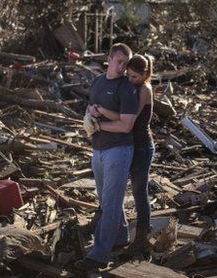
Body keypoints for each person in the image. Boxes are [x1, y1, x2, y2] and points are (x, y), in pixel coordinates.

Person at [75, 43, 139, 271]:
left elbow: (126, 125)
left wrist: (99, 123)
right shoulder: (98, 81)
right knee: (106, 200)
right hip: (99, 149)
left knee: (110, 204)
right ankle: (121, 236)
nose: (122, 67)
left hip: (118, 151)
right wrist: (90, 115)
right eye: (119, 62)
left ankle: (99, 255)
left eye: (126, 63)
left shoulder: (126, 89)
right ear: (109, 59)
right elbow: (91, 105)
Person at [93, 54, 155, 258]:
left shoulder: (144, 89)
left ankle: (142, 237)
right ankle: (117, 229)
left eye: (135, 77)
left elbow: (128, 118)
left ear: (145, 75)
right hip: (127, 144)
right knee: (114, 188)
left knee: (139, 191)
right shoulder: (131, 87)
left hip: (141, 147)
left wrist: (102, 114)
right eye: (128, 75)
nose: (130, 80)